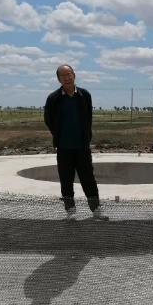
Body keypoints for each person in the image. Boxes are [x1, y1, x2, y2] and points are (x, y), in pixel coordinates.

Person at [44, 65, 107, 219]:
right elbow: (48, 119)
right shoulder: (53, 98)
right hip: (64, 148)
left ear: (74, 75)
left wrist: (86, 138)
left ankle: (96, 210)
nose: (67, 78)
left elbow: (88, 118)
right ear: (58, 79)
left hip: (82, 148)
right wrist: (59, 135)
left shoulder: (85, 95)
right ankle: (70, 212)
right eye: (63, 76)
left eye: (69, 74)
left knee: (88, 179)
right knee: (66, 180)